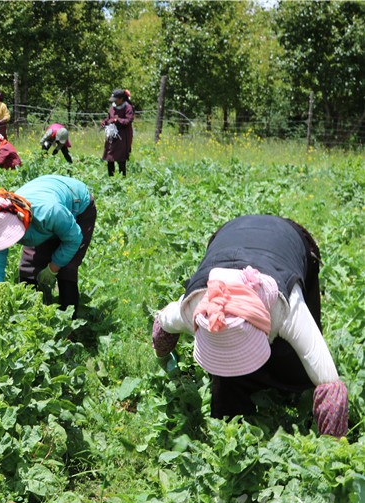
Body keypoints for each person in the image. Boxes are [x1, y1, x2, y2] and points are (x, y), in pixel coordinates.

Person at [151, 215, 348, 438]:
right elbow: (162, 324)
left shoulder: (286, 308)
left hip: (287, 239)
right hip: (228, 236)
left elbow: (330, 383)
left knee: (293, 362)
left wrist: (332, 444)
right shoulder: (195, 309)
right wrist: (166, 362)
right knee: (225, 380)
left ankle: (277, 385)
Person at [0, 175, 96, 318]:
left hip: (77, 205)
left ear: (21, 218)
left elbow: (74, 238)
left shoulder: (49, 211)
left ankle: (69, 323)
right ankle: (29, 316)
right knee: (28, 268)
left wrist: (53, 268)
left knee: (66, 270)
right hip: (46, 217)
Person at [100, 88, 134, 176]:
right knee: (109, 157)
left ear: (121, 99)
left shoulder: (128, 107)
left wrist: (117, 120)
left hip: (122, 136)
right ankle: (111, 178)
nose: (114, 101)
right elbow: (108, 118)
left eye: (116, 99)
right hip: (112, 135)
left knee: (121, 158)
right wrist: (105, 122)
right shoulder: (112, 107)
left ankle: (122, 178)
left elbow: (129, 120)